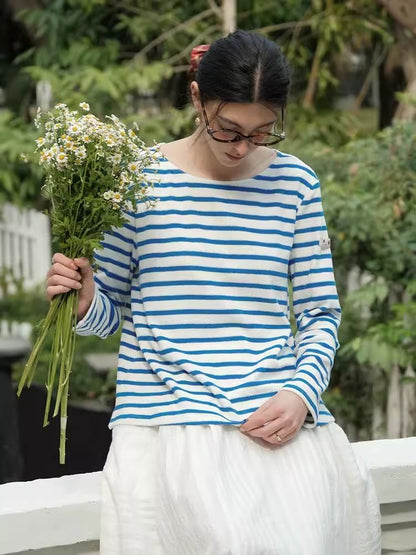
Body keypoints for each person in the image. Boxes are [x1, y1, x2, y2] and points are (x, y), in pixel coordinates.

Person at [47, 30, 381, 555]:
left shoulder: (296, 184)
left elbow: (320, 313)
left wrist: (301, 395)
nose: (242, 147)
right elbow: (108, 315)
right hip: (166, 421)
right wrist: (84, 300)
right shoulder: (135, 178)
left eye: (262, 132)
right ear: (198, 98)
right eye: (228, 129)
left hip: (277, 421)